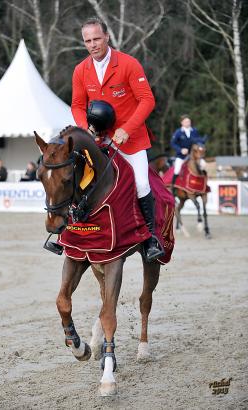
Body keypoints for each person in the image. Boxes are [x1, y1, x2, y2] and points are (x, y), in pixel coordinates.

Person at [71, 17, 164, 261]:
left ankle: (151, 239)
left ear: (107, 37)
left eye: (97, 39)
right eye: (88, 41)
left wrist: (128, 129)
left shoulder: (128, 64)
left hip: (130, 140)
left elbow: (147, 100)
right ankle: (67, 234)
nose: (93, 44)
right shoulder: (81, 70)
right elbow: (78, 105)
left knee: (142, 184)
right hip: (99, 140)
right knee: (74, 178)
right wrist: (84, 128)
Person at [170, 115, 207, 193]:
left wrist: (203, 140)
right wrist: (180, 150)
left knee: (203, 165)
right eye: (186, 121)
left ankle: (204, 185)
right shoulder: (178, 132)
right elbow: (173, 143)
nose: (188, 123)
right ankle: (173, 189)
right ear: (182, 123)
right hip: (181, 156)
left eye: (189, 121)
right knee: (177, 170)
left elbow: (198, 141)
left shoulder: (194, 131)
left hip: (193, 156)